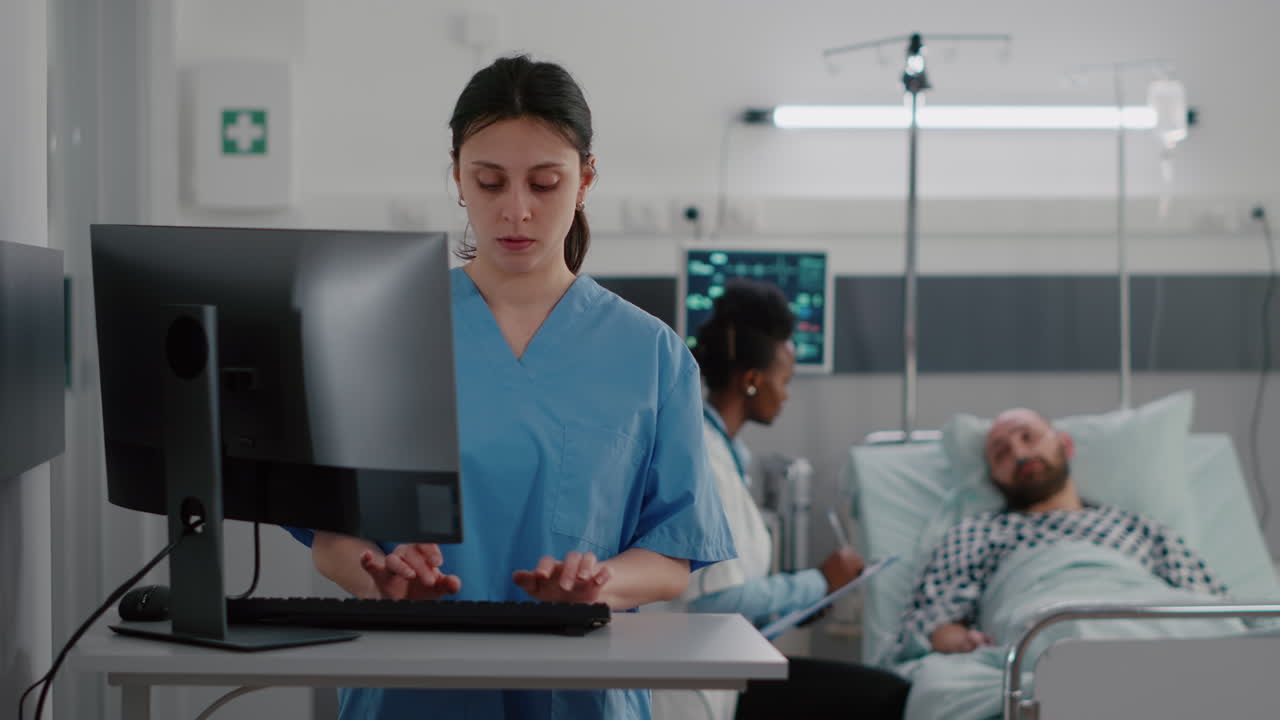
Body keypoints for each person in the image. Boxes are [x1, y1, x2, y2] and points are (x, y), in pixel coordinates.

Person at [285, 55, 735, 720]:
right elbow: (330, 537)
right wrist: (380, 578)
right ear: (458, 178)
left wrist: (599, 584)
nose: (515, 211)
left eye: (545, 183)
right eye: (489, 182)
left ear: (585, 180)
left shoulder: (652, 357)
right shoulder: (383, 334)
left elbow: (673, 555)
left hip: (581, 694)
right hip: (413, 692)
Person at [652, 278, 909, 720]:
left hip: (718, 667)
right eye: (785, 379)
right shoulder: (706, 461)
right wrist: (820, 582)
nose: (787, 394)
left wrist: (802, 604)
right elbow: (713, 603)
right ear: (752, 380)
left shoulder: (727, 455)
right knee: (884, 696)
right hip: (686, 687)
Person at [896, 407, 1228, 658]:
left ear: (1065, 445)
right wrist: (961, 641)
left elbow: (1216, 608)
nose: (1020, 454)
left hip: (1161, 624)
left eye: (1028, 437)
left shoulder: (1139, 527)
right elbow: (930, 628)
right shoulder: (976, 534)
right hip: (1049, 626)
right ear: (993, 476)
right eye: (1001, 453)